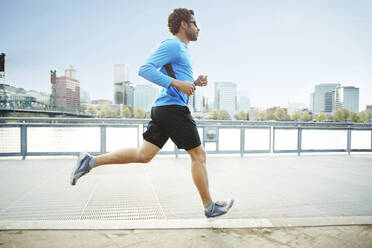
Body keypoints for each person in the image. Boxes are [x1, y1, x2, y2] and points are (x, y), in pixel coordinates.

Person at [70, 8, 234, 219]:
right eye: (194, 23)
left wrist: (193, 83)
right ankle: (210, 207)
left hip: (165, 108)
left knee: (143, 155)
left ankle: (90, 162)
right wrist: (177, 83)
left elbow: (177, 84)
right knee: (199, 155)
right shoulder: (173, 44)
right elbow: (145, 69)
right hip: (172, 109)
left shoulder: (182, 49)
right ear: (184, 24)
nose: (198, 27)